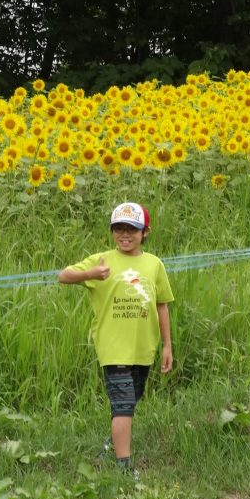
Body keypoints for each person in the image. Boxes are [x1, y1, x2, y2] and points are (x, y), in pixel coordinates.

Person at [57, 202, 174, 477]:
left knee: (130, 401)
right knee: (122, 404)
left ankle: (111, 448)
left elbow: (162, 305)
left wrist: (167, 345)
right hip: (113, 347)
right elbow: (63, 276)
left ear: (145, 232)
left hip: (143, 347)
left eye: (131, 229)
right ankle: (124, 467)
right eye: (118, 229)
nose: (124, 235)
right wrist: (89, 275)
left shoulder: (154, 264)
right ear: (111, 231)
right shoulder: (102, 260)